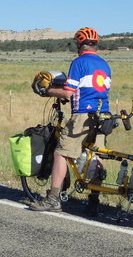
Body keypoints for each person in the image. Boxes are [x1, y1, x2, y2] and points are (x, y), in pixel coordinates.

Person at [29, 27, 111, 214]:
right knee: (95, 155)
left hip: (83, 115)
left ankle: (53, 199)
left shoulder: (79, 62)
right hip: (103, 114)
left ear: (80, 44)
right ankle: (93, 200)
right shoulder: (105, 64)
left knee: (61, 154)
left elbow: (68, 91)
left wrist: (47, 91)